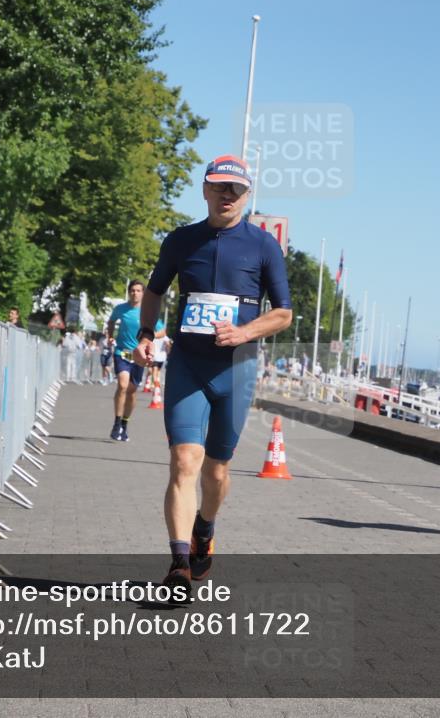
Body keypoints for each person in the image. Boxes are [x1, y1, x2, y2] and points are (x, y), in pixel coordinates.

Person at [133, 154, 292, 591]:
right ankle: (179, 565)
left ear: (247, 194)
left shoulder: (263, 245)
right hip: (188, 365)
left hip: (235, 371)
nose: (227, 194)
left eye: (235, 189)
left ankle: (205, 527)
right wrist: (146, 333)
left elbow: (283, 313)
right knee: (184, 460)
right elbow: (155, 291)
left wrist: (244, 332)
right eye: (219, 186)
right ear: (204, 189)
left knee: (217, 472)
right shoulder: (181, 240)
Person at [107, 281, 164, 441]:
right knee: (122, 385)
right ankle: (117, 423)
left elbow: (162, 331)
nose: (135, 293)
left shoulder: (147, 312)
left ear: (143, 293)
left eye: (138, 290)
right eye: (132, 290)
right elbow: (111, 321)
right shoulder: (121, 309)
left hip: (139, 355)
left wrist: (149, 335)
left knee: (132, 391)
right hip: (122, 352)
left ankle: (124, 423)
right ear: (129, 292)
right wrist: (110, 336)